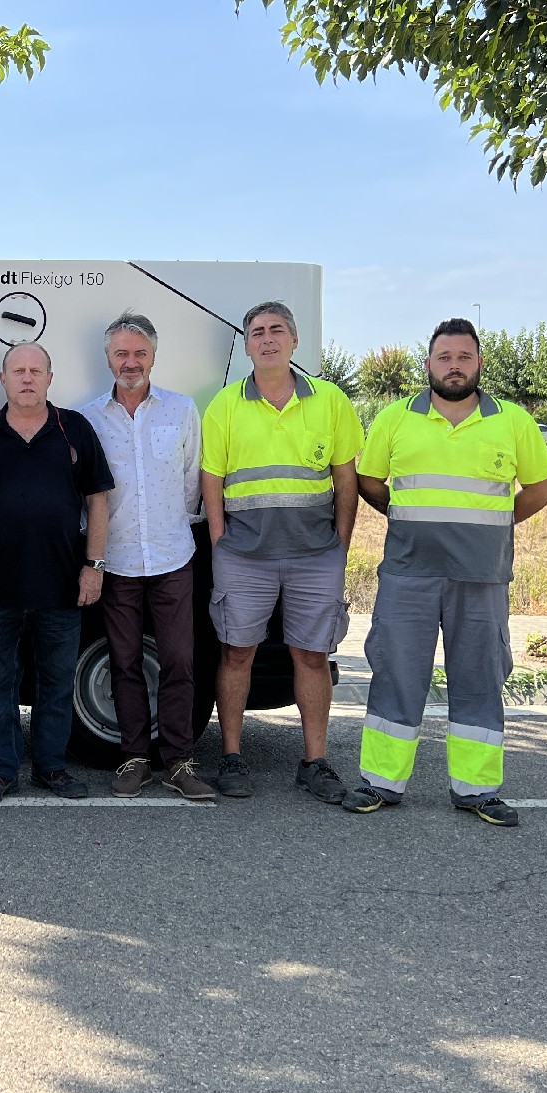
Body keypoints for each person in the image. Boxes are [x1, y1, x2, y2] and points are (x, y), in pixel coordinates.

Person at [344, 318, 547, 827]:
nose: (454, 366)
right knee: (396, 674)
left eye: (464, 357)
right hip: (408, 572)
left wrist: (490, 528)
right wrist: (407, 519)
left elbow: (539, 490)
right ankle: (380, 782)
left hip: (481, 575)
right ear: (429, 365)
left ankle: (477, 790)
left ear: (479, 363)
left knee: (479, 679)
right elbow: (369, 480)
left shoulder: (513, 421)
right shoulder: (395, 418)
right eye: (445, 357)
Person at [200, 301, 362, 803]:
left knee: (312, 657)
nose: (266, 339)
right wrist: (220, 542)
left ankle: (315, 762)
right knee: (236, 653)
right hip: (243, 556)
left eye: (276, 331)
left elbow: (346, 480)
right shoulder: (225, 405)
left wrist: (340, 546)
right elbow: (211, 479)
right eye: (257, 332)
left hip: (316, 556)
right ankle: (231, 757)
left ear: (294, 341)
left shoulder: (330, 401)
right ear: (247, 345)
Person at [0, 343, 115, 804]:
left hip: (61, 584)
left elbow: (99, 500)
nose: (27, 378)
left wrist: (94, 566)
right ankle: (1, 770)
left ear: (49, 379)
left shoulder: (74, 429)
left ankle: (51, 767)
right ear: (3, 379)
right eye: (18, 370)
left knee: (57, 683)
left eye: (35, 371)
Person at [78, 313, 211, 800]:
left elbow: (192, 479)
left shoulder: (181, 409)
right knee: (124, 662)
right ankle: (134, 759)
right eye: (121, 353)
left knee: (179, 661)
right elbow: (86, 493)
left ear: (153, 356)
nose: (130, 362)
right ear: (108, 359)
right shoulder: (89, 418)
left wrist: (175, 524)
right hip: (116, 560)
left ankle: (178, 762)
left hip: (173, 556)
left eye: (139, 353)